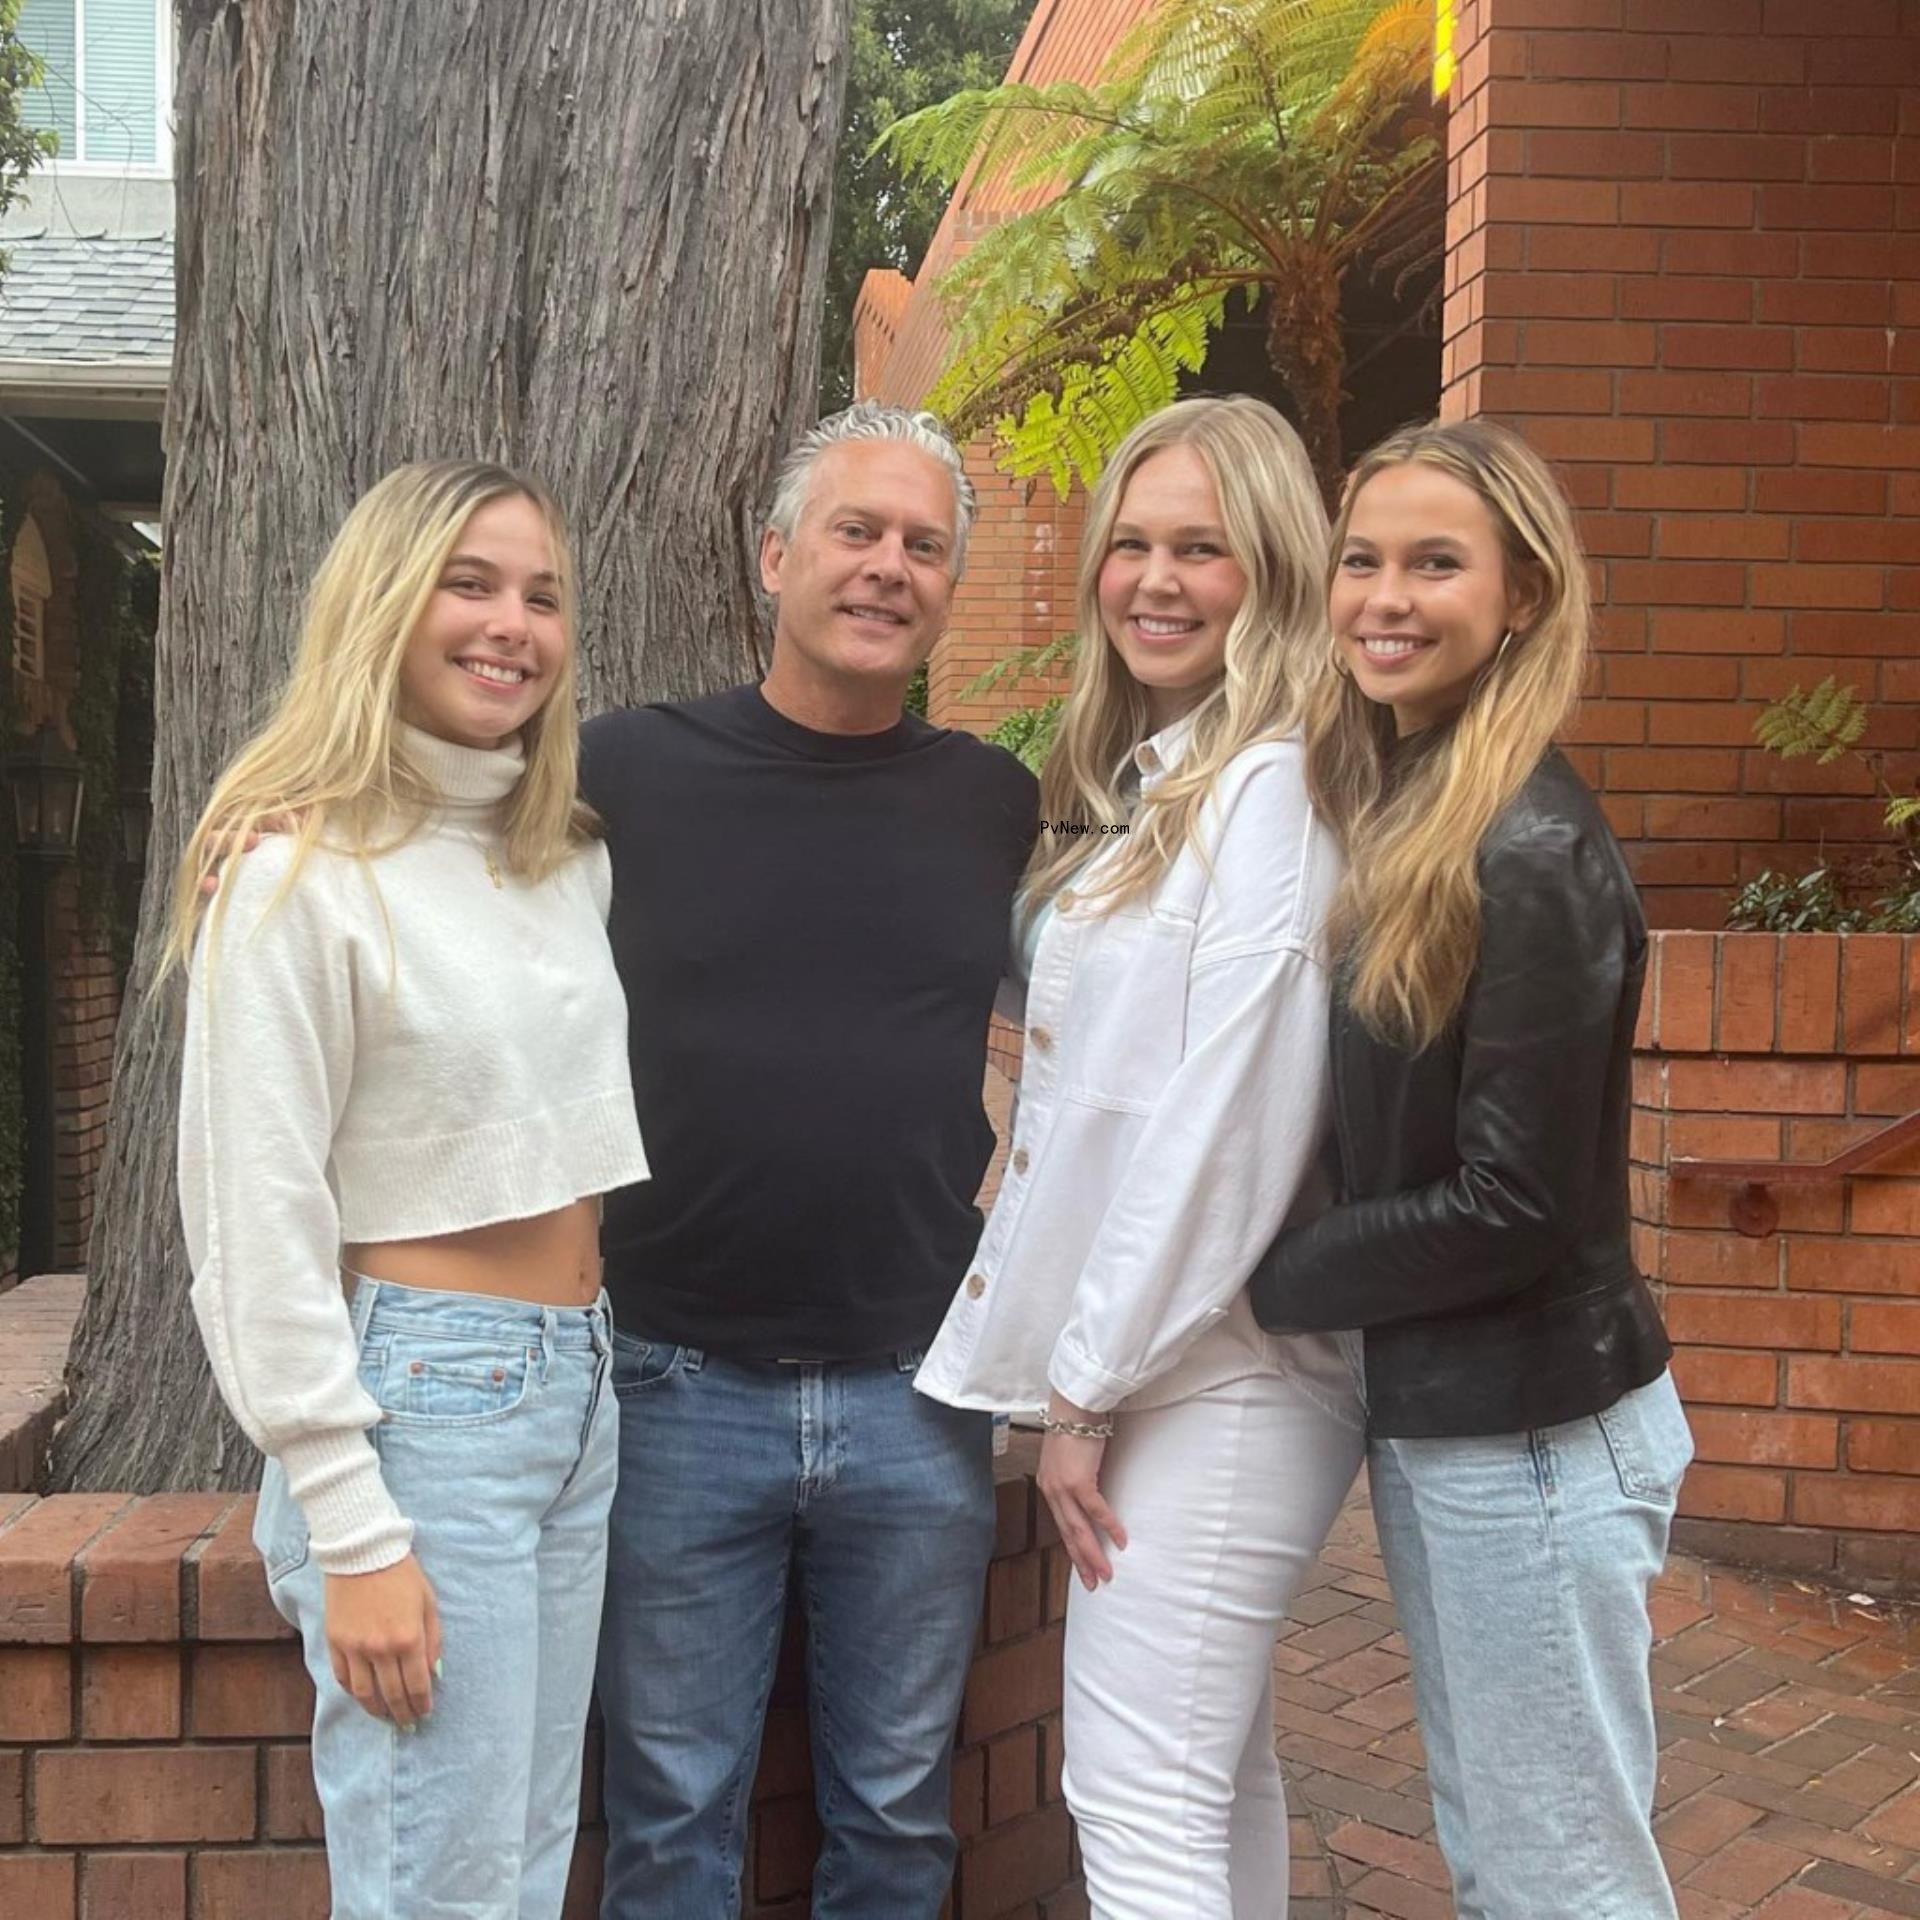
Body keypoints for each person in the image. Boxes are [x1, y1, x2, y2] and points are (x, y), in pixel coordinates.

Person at [174, 461, 648, 1920]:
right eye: (472, 582)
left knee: (513, 1868)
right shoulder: (296, 877)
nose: (513, 624)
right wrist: (350, 1521)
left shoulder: (560, 859)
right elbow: (254, 1224)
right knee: (433, 1889)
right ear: (386, 601)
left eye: (542, 594)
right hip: (423, 1414)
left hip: (576, 1391)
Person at [583, 402, 1038, 1918]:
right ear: (775, 555)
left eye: (923, 545)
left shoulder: (995, 803)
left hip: (920, 1388)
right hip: (671, 1382)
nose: (887, 566)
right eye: (856, 530)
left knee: (901, 1821)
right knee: (668, 1821)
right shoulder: (623, 776)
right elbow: (432, 851)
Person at [915, 395, 1365, 1918]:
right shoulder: (1165, 776)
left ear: (1277, 571)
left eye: (1204, 550)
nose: (1156, 580)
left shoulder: (1274, 787)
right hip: (1170, 1354)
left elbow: (1230, 1115)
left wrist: (1089, 1383)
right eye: (1133, 543)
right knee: (1208, 1772)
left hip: (1221, 1368)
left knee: (1135, 1789)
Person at [1247, 418, 1691, 1920]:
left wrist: (1266, 1269)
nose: (1386, 595)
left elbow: (1518, 1204)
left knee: (1561, 1876)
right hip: (1472, 1422)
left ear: (1522, 597)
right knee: (1508, 1856)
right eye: (1362, 560)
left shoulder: (1528, 850)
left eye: (1437, 563)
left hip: (1538, 1433)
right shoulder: (1421, 807)